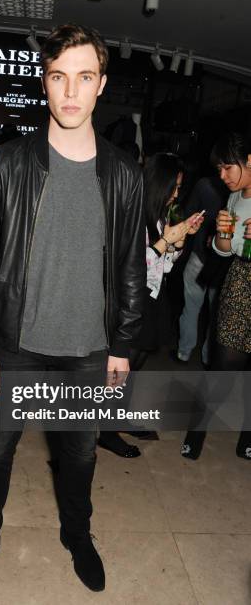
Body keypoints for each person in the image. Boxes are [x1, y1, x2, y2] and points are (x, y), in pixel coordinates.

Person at [0, 24, 146, 596]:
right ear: (45, 83)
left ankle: (77, 534)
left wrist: (124, 347)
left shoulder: (123, 175)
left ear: (101, 84)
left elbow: (131, 267)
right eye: (59, 77)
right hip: (14, 344)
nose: (72, 92)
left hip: (88, 349)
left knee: (80, 454)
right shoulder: (7, 166)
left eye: (84, 77)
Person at [98, 153, 204, 458]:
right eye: (174, 186)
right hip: (130, 300)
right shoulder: (130, 215)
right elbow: (127, 267)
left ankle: (120, 417)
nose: (176, 193)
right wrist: (163, 243)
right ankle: (106, 431)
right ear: (159, 184)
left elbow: (163, 266)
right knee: (120, 367)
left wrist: (177, 244)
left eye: (180, 187)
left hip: (152, 297)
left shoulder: (159, 215)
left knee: (136, 366)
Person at [181, 132, 251, 460]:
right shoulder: (235, 198)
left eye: (227, 168)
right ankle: (197, 433)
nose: (222, 176)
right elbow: (225, 252)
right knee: (222, 367)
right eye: (220, 169)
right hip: (240, 283)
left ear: (249, 160)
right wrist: (222, 235)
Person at [176, 176, 228, 365]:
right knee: (215, 316)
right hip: (221, 265)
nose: (223, 175)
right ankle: (207, 358)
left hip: (202, 258)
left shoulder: (204, 185)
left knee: (192, 308)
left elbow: (188, 214)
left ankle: (184, 352)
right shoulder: (241, 193)